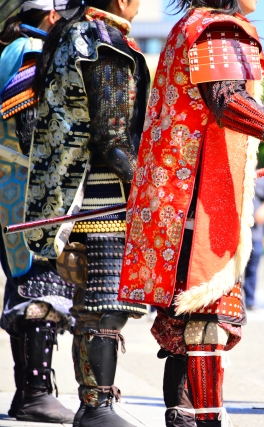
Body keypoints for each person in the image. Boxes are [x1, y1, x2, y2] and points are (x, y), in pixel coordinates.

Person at [117, 1, 264, 425]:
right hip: (195, 194)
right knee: (206, 317)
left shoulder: (189, 26)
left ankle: (183, 414)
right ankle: (205, 421)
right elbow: (227, 100)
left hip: (178, 194)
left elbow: (233, 98)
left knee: (186, 320)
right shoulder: (217, 29)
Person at [26, 0, 151, 424]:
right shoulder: (103, 43)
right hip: (101, 192)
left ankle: (94, 404)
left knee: (93, 303)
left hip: (71, 189)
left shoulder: (68, 35)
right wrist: (154, 189)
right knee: (105, 304)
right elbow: (113, 138)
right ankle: (96, 405)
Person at [0, 2, 76, 423]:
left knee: (31, 279)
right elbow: (30, 124)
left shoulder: (14, 46)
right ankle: (33, 392)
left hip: (15, 183)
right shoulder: (32, 49)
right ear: (50, 15)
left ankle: (30, 391)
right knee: (39, 278)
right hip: (25, 185)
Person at [243, 176, 264, 310]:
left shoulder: (263, 179)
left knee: (252, 268)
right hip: (235, 232)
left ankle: (250, 300)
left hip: (255, 233)